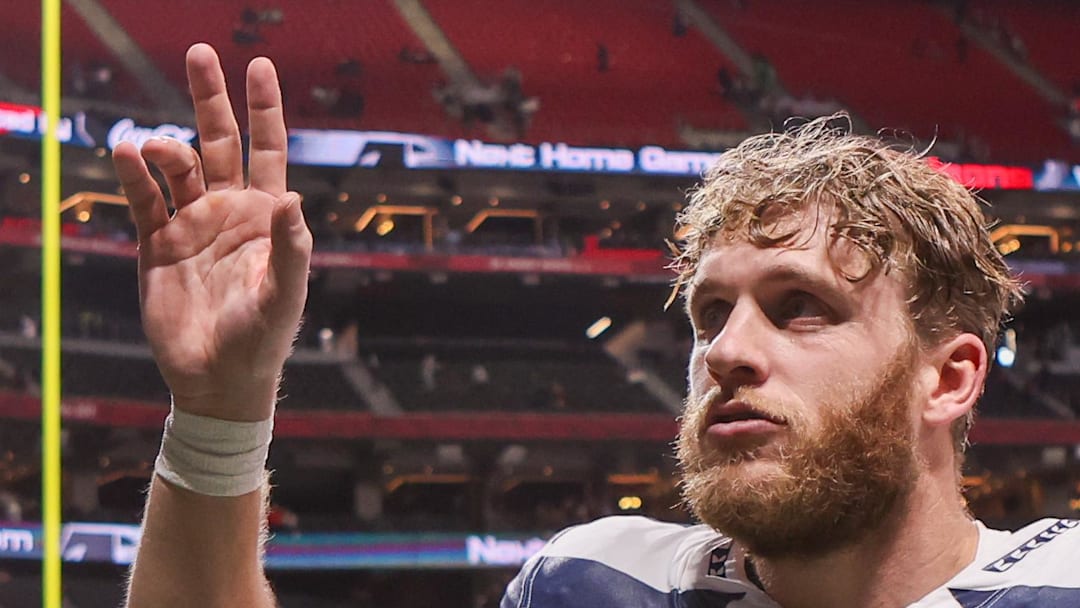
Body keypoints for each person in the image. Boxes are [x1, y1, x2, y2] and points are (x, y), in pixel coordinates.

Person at [116, 45, 1080, 608]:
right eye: (711, 313)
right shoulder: (590, 580)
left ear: (949, 377)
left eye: (802, 307)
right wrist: (221, 409)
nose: (727, 351)